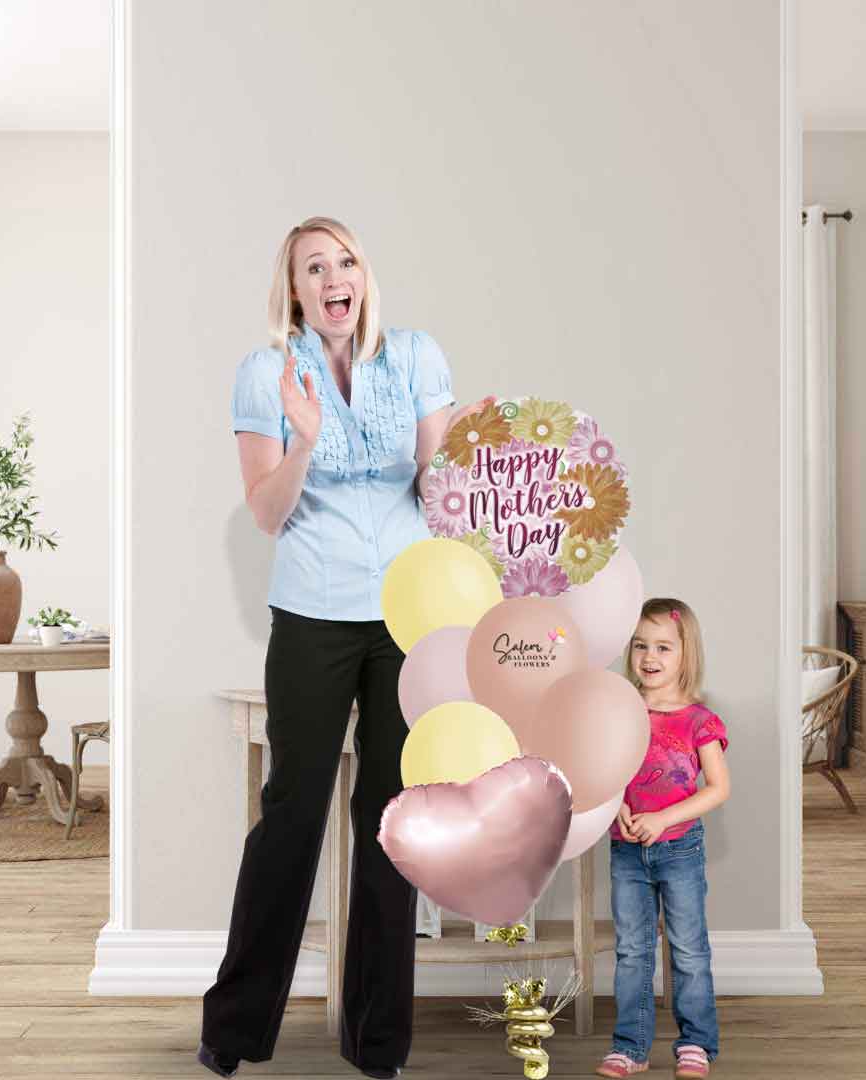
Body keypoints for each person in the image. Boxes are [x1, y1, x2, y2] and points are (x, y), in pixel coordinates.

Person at [197, 216, 491, 1079]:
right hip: (313, 614)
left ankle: (379, 1044)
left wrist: (466, 447)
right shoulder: (267, 371)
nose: (335, 276)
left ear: (364, 274)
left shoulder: (415, 357)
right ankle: (235, 1029)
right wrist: (307, 438)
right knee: (292, 812)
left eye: (346, 261)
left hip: (407, 621)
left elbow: (438, 496)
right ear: (294, 289)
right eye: (314, 266)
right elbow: (266, 512)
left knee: (390, 823)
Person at [595, 598, 731, 1080]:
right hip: (626, 849)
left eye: (662, 647)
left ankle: (696, 1043)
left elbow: (718, 788)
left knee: (689, 949)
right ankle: (630, 1046)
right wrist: (621, 808)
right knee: (632, 950)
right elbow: (603, 771)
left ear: (685, 653)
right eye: (640, 646)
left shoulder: (699, 720)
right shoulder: (619, 710)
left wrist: (663, 818)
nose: (649, 657)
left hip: (679, 851)